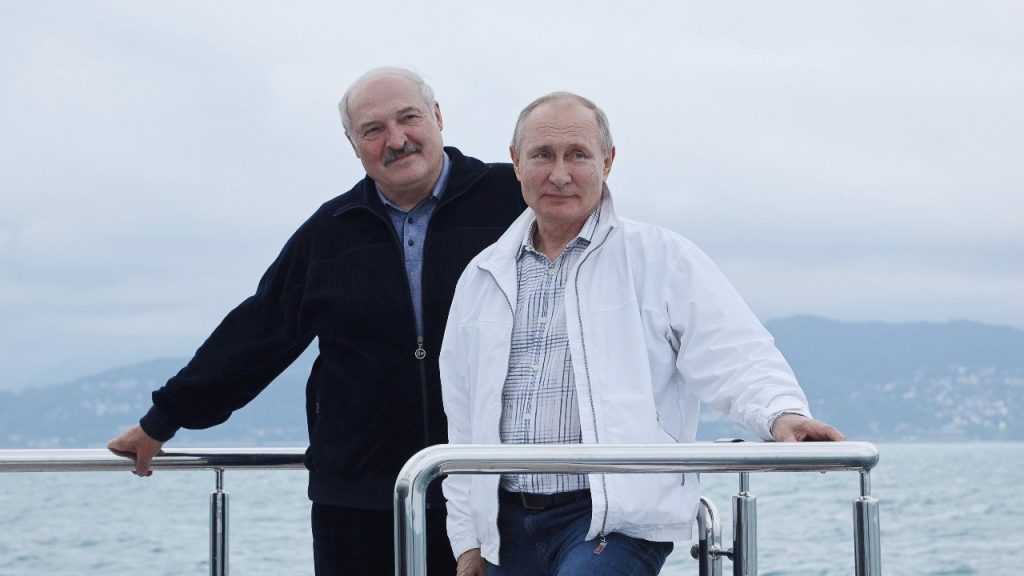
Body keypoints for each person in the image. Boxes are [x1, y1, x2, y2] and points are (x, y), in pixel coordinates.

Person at [107, 67, 525, 575]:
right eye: (372, 130)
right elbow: (260, 330)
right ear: (353, 145)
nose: (396, 139)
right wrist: (162, 419)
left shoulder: (515, 202)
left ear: (437, 117)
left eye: (408, 118)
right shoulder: (330, 231)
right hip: (356, 498)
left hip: (493, 487)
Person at [439, 92, 845, 576]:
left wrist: (781, 414)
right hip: (506, 527)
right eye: (543, 155)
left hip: (616, 520)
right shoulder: (482, 276)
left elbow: (733, 352)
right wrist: (467, 541)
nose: (560, 174)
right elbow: (463, 417)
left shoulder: (662, 258)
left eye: (579, 155)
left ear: (608, 162)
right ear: (516, 162)